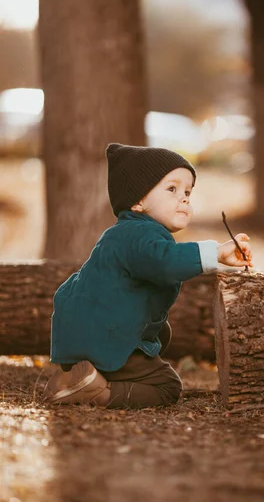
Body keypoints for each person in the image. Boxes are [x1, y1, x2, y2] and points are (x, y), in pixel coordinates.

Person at [43, 143, 253, 409]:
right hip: (106, 338)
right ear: (138, 201)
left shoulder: (125, 235)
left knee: (159, 336)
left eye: (188, 192)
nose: (185, 198)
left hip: (85, 334)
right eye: (172, 189)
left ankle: (83, 377)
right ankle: (100, 392)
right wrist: (217, 253)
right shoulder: (140, 236)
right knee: (167, 387)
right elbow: (166, 263)